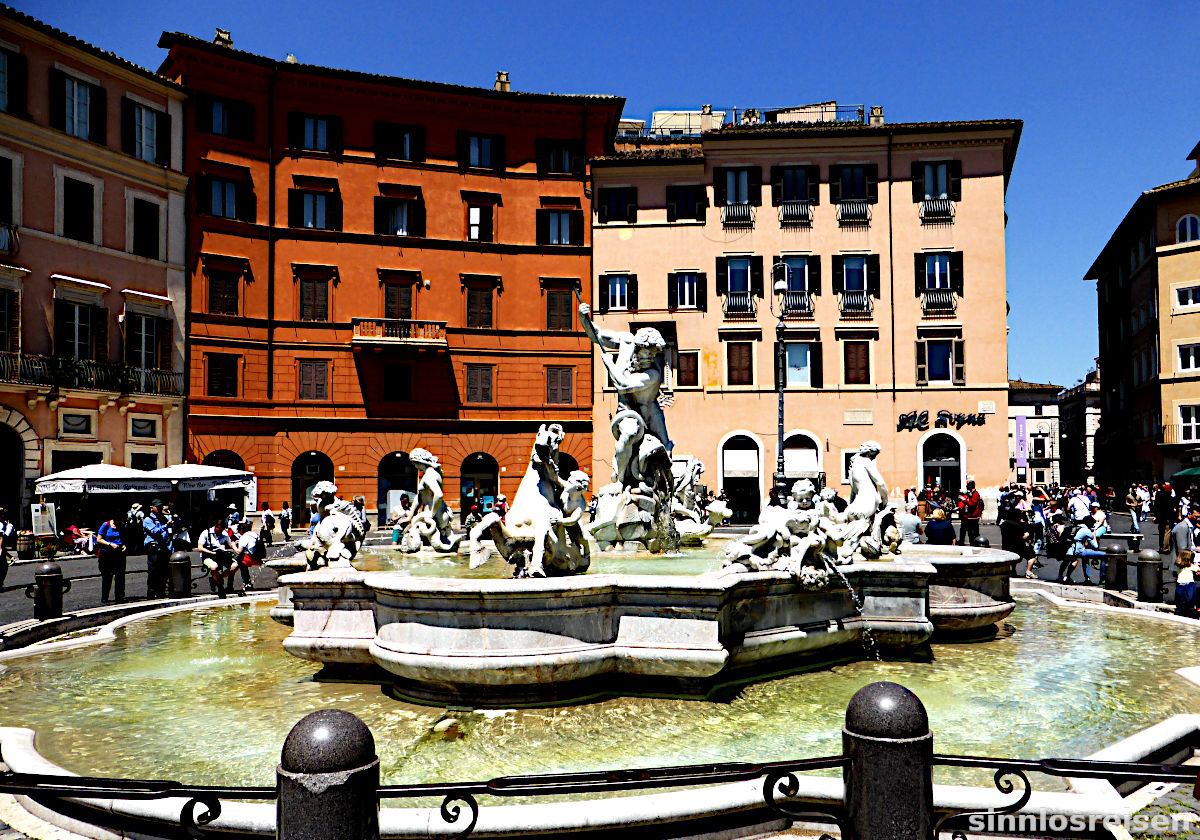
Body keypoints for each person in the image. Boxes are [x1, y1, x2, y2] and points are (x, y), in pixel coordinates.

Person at [198, 514, 237, 597]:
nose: (220, 532)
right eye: (219, 530)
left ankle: (217, 578)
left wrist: (234, 546)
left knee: (235, 565)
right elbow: (200, 548)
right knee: (214, 567)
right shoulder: (206, 533)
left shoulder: (224, 533)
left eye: (222, 530)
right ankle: (220, 586)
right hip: (208, 556)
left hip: (221, 556)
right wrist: (211, 552)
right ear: (215, 527)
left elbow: (230, 544)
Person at [1060, 515, 1106, 585]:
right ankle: (1102, 579)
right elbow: (1095, 546)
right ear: (1089, 523)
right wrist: (1094, 535)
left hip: (1069, 550)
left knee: (1084, 558)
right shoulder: (1086, 531)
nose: (1093, 526)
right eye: (1092, 524)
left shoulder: (1076, 528)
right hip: (1079, 551)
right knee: (1104, 555)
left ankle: (1068, 577)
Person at [142, 500, 172, 599]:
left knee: (163, 571)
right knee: (153, 571)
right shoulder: (148, 520)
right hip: (154, 548)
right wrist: (166, 526)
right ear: (152, 508)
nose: (159, 509)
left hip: (163, 547)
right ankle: (151, 593)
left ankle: (161, 592)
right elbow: (154, 531)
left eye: (160, 507)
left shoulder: (163, 518)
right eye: (157, 507)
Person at [96, 512, 127, 604]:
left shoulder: (121, 525)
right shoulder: (106, 525)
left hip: (119, 553)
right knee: (107, 576)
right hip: (107, 553)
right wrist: (110, 544)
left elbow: (124, 538)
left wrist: (124, 545)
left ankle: (119, 596)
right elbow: (99, 539)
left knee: (120, 575)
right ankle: (105, 597)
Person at [1175, 549, 1197, 617]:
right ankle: (1189, 612)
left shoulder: (1179, 566)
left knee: (1180, 600)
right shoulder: (1191, 566)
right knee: (1190, 599)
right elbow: (1197, 569)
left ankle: (1179, 612)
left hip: (1180, 584)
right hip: (1189, 584)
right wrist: (1196, 565)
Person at [0, 507, 14, 587]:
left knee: (4, 567)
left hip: (2, 550)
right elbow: (0, 540)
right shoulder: (1, 525)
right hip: (0, 551)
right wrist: (0, 551)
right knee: (3, 567)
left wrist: (9, 555)